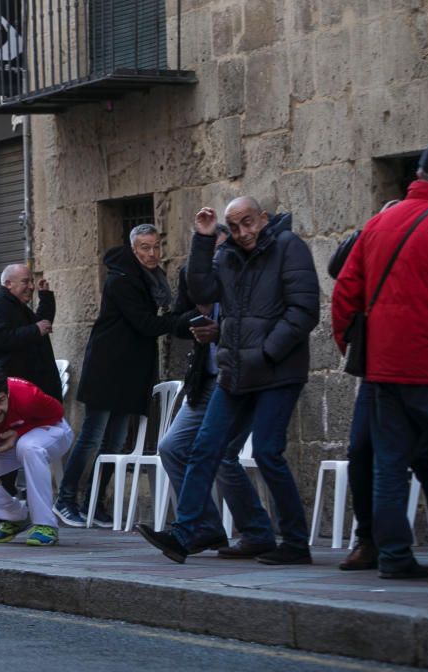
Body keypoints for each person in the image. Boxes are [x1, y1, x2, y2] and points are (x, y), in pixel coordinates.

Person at [136, 196, 319, 566]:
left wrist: (266, 352)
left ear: (263, 219)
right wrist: (203, 239)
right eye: (234, 226)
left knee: (267, 452)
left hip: (277, 370)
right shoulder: (229, 254)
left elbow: (303, 310)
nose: (243, 232)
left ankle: (296, 542)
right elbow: (202, 291)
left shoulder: (288, 247)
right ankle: (186, 534)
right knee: (205, 448)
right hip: (236, 371)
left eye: (249, 223)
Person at [332, 138, 428, 579]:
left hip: (383, 367)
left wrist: (356, 352)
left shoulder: (379, 224)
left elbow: (345, 295)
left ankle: (395, 557)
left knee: (389, 463)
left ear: (419, 177)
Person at [157, 225, 277, 557]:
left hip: (238, 381)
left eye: (222, 251)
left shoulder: (247, 280)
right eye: (211, 252)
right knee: (171, 447)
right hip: (206, 380)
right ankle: (208, 528)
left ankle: (256, 531)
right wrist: (197, 319)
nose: (217, 258)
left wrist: (221, 330)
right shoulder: (195, 278)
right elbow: (177, 319)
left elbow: (256, 329)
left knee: (222, 454)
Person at [53, 224, 178, 528]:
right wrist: (183, 321)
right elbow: (145, 324)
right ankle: (65, 499)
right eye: (145, 248)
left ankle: (95, 503)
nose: (152, 253)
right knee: (92, 438)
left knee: (116, 442)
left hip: (132, 372)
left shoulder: (150, 279)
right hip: (109, 369)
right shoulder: (121, 280)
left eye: (155, 247)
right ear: (133, 250)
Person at [0, 367, 73, 546]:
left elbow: (57, 412)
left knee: (29, 447)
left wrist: (18, 433)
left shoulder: (27, 395)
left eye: (0, 401)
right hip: (10, 439)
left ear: (7, 393)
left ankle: (45, 525)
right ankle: (15, 517)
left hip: (54, 432)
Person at [0, 264, 62, 401]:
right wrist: (35, 330)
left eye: (32, 281)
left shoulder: (18, 307)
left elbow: (41, 326)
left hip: (17, 388)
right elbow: (1, 338)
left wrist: (45, 297)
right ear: (8, 284)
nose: (31, 286)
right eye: (25, 281)